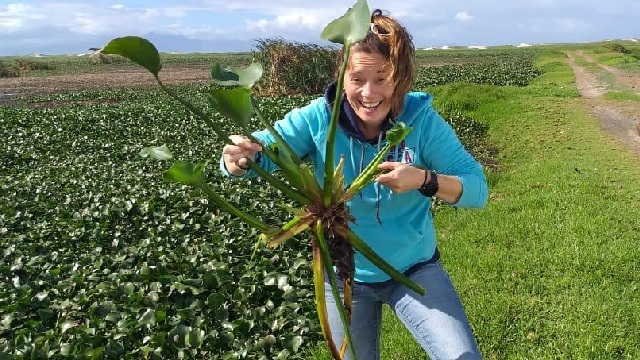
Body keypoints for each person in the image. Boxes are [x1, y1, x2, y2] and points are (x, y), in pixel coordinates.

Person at [221, 8, 488, 360]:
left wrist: (425, 180)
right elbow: (266, 152)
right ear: (342, 76)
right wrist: (238, 159)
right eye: (357, 78)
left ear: (401, 79)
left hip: (413, 267)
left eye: (382, 79)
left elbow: (478, 189)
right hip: (344, 273)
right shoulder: (319, 117)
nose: (368, 93)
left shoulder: (422, 121)